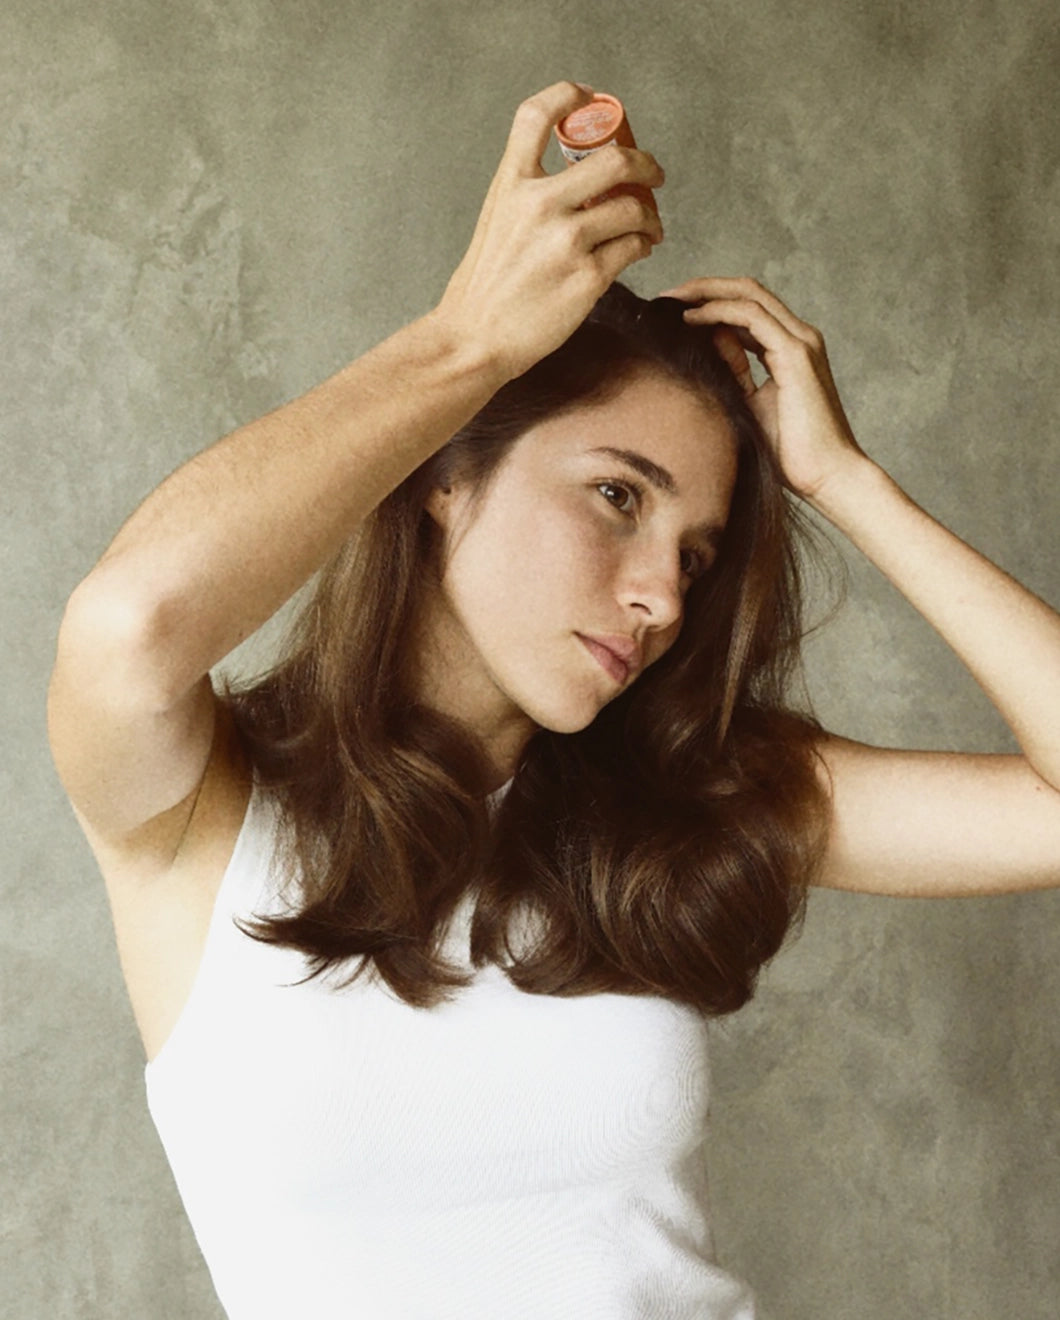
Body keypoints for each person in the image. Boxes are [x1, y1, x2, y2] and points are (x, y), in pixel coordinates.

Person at [46, 79, 1060, 1320]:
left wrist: (843, 481)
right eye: (618, 497)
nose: (662, 599)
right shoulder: (201, 810)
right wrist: (464, 344)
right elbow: (127, 627)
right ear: (446, 476)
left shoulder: (691, 799)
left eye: (694, 553)